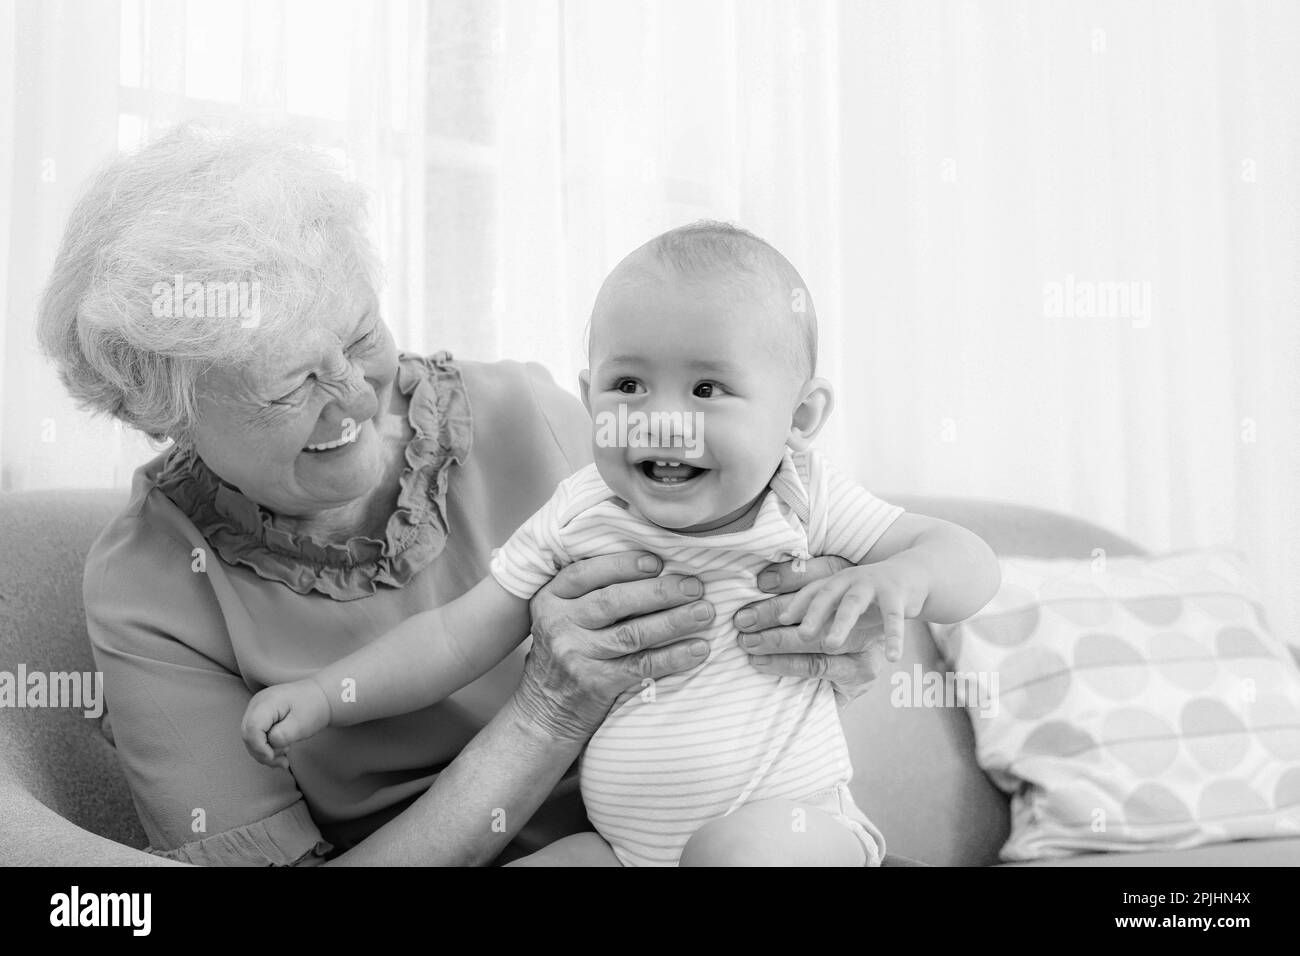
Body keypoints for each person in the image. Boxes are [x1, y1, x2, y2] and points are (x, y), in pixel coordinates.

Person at [36, 127, 888, 866]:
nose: (356, 397)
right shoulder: (152, 583)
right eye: (290, 385)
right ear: (169, 414)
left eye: (361, 337)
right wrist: (546, 712)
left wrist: (826, 639)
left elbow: (764, 594)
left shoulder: (534, 417)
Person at [242, 221, 1002, 866]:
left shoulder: (803, 496)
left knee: (735, 856)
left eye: (707, 390)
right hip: (623, 848)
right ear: (588, 399)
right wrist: (325, 695)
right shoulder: (580, 511)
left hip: (798, 826)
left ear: (799, 419)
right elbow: (450, 640)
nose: (661, 419)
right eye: (629, 385)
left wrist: (903, 578)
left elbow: (970, 564)